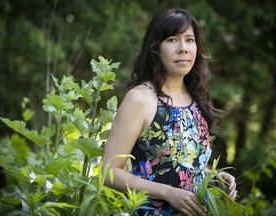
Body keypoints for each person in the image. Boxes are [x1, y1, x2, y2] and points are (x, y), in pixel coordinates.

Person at [101, 8, 237, 216]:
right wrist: (167, 193)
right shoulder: (141, 99)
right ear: (156, 48)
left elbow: (176, 166)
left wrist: (212, 177)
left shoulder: (196, 98)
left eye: (189, 40)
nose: (183, 48)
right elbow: (109, 172)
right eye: (172, 39)